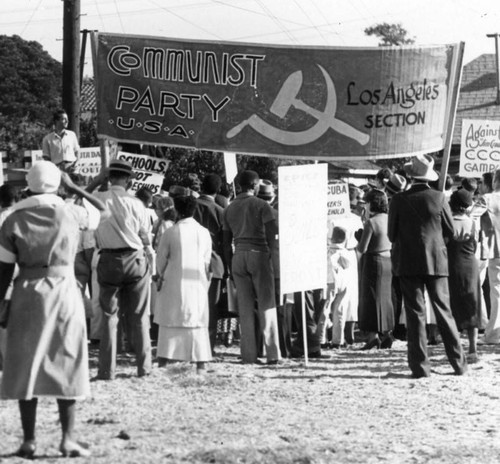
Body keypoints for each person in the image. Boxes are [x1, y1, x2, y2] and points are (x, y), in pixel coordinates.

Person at [0, 161, 105, 458]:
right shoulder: (71, 212)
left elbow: (4, 270)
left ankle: (29, 440)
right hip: (64, 289)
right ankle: (67, 438)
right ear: (57, 183)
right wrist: (74, 187)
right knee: (68, 358)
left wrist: (1, 303)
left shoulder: (12, 219)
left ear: (29, 185)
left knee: (25, 362)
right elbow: (102, 212)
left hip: (27, 292)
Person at [388, 154, 467, 378]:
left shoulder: (398, 200)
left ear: (410, 175)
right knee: (444, 313)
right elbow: (450, 230)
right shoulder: (439, 197)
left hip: (408, 262)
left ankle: (420, 368)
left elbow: (391, 235)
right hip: (436, 260)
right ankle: (459, 365)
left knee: (415, 315)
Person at [86, 159, 154, 380]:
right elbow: (145, 236)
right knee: (139, 316)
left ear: (109, 176)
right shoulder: (136, 203)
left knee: (108, 316)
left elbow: (76, 200)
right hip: (134, 258)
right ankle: (144, 367)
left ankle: (107, 369)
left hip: (108, 259)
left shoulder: (98, 199)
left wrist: (96, 181)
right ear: (127, 180)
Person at [222, 170, 281, 364]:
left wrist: (230, 265)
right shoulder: (261, 205)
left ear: (239, 186)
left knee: (244, 308)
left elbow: (225, 241)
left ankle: (248, 354)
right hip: (259, 254)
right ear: (255, 186)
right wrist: (273, 257)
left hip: (238, 255)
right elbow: (273, 234)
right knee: (267, 304)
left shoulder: (229, 208)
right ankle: (272, 354)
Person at [154, 195, 212, 373]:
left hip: (173, 279)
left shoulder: (171, 232)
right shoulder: (204, 232)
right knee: (196, 320)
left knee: (171, 319)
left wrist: (159, 275)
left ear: (177, 210)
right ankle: (200, 361)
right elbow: (207, 261)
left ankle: (164, 357)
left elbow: (161, 258)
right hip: (197, 281)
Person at [193, 173, 226, 354]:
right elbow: (224, 241)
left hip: (192, 261)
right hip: (214, 263)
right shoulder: (220, 212)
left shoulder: (192, 207)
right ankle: (208, 347)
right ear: (218, 190)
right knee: (211, 308)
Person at [357, 189, 394, 350]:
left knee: (371, 299)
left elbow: (362, 248)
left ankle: (372, 337)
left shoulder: (371, 222)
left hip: (373, 261)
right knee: (386, 298)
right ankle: (387, 333)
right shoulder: (389, 218)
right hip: (388, 260)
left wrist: (358, 237)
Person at [447, 189, 480, 363]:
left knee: (453, 306)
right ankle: (473, 349)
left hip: (452, 265)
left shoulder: (447, 222)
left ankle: (457, 347)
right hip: (470, 265)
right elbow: (475, 245)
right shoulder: (473, 223)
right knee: (472, 305)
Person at [319, 226, 354, 349]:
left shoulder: (328, 252)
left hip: (330, 282)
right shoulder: (346, 253)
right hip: (344, 283)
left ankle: (321, 339)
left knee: (325, 310)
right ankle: (337, 340)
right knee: (340, 311)